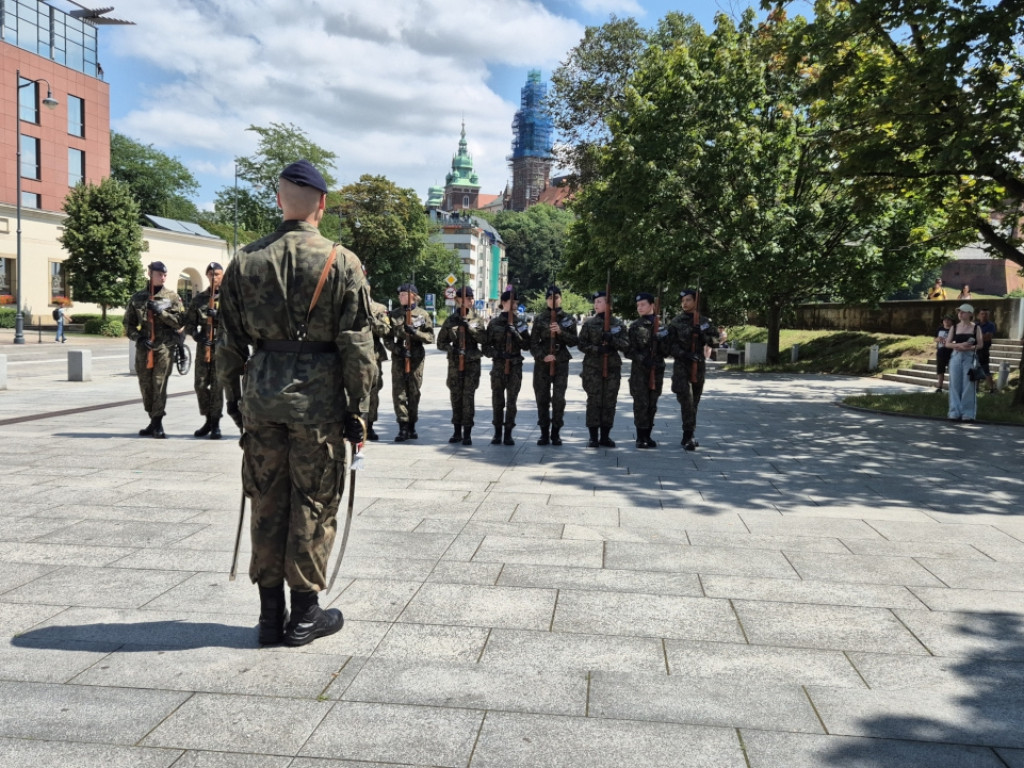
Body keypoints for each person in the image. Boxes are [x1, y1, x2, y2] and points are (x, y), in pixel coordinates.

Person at [217, 160, 374, 647]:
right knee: (313, 500)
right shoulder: (341, 262)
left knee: (267, 499)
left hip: (262, 401)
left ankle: (268, 616)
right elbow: (358, 347)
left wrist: (234, 401)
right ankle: (305, 615)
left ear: (279, 201)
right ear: (321, 205)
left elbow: (227, 344)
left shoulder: (244, 262)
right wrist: (360, 411)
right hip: (318, 404)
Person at [125, 261, 185, 439]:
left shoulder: (172, 297)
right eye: (159, 273)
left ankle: (158, 422)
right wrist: (140, 338)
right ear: (150, 273)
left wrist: (161, 312)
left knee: (159, 384)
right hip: (145, 348)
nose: (163, 276)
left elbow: (180, 322)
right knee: (145, 385)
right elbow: (128, 325)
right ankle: (152, 419)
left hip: (164, 347)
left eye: (164, 274)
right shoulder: (137, 298)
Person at [667, 289, 718, 451]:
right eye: (683, 300)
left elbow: (716, 341)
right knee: (687, 401)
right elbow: (668, 345)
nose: (684, 303)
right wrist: (685, 354)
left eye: (688, 300)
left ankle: (688, 433)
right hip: (682, 366)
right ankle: (688, 434)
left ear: (696, 301)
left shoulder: (704, 321)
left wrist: (703, 335)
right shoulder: (676, 322)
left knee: (694, 401)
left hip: (698, 366)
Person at [577, 290, 629, 448]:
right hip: (593, 368)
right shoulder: (589, 323)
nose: (596, 304)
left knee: (609, 402)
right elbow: (581, 344)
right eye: (595, 302)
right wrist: (597, 349)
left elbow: (626, 345)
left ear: (609, 304)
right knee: (593, 401)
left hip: (612, 368)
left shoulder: (618, 324)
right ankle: (593, 436)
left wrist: (611, 340)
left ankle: (605, 436)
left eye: (600, 301)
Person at [384, 282, 434, 441]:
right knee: (399, 393)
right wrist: (398, 350)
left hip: (416, 357)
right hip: (399, 357)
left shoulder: (422, 315)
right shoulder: (394, 315)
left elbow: (430, 338)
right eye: (400, 295)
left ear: (413, 296)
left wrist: (416, 333)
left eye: (404, 294)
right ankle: (402, 427)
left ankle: (412, 425)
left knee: (414, 392)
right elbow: (387, 338)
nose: (400, 297)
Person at [436, 285, 486, 445]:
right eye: (467, 298)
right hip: (455, 364)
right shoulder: (451, 320)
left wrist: (469, 327)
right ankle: (457, 431)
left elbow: (483, 340)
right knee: (456, 397)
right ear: (458, 300)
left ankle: (467, 433)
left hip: (472, 364)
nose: (470, 301)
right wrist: (453, 349)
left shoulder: (477, 319)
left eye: (471, 298)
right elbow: (440, 342)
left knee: (468, 398)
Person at [530, 284, 578, 445]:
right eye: (550, 298)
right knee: (542, 397)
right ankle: (544, 433)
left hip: (561, 361)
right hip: (543, 362)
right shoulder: (539, 318)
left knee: (558, 398)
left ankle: (556, 432)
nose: (553, 301)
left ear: (561, 298)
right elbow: (533, 343)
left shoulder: (568, 319)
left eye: (556, 297)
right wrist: (542, 357)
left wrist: (560, 332)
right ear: (546, 300)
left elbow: (574, 341)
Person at [182, 262, 225, 439]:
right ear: (207, 276)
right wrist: (196, 335)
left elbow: (239, 322)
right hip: (204, 347)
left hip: (222, 347)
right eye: (211, 275)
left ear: (222, 276)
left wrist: (220, 317)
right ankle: (208, 418)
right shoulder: (199, 299)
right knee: (200, 385)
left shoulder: (230, 298)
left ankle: (215, 424)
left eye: (217, 274)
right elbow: (189, 323)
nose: (214, 278)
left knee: (217, 387)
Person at [483, 288, 530, 445]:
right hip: (498, 367)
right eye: (512, 301)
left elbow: (527, 345)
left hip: (515, 366)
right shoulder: (494, 323)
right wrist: (497, 354)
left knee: (512, 401)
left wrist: (515, 333)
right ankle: (497, 433)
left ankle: (508, 433)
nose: (515, 304)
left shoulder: (521, 323)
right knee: (497, 400)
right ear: (503, 303)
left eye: (517, 302)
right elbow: (485, 347)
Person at [626, 292, 669, 448]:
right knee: (640, 403)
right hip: (639, 371)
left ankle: (648, 435)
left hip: (656, 370)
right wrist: (642, 358)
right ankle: (640, 437)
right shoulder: (635, 326)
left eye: (643, 304)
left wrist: (661, 341)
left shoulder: (662, 327)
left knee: (652, 403)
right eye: (638, 305)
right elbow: (628, 350)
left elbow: (666, 351)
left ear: (653, 305)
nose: (640, 308)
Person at [943, 303, 983, 422]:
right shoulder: (954, 327)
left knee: (968, 385)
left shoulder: (976, 328)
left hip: (969, 356)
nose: (960, 314)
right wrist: (958, 345)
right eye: (959, 311)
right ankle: (954, 411)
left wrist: (968, 347)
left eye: (963, 312)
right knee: (954, 384)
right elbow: (947, 343)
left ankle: (968, 413)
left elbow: (980, 345)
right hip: (956, 356)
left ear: (970, 314)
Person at [365, 279, 391, 441]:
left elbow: (385, 330)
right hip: (351, 356)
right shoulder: (346, 305)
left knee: (373, 392)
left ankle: (370, 425)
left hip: (372, 356)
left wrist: (370, 317)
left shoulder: (379, 309)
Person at [976, 308, 998, 394]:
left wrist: (978, 336)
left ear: (988, 315)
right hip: (975, 349)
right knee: (976, 369)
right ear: (978, 315)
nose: (984, 315)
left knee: (986, 370)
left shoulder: (991, 325)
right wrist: (982, 336)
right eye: (982, 314)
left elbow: (988, 337)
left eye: (986, 314)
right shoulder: (975, 324)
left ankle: (992, 388)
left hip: (984, 350)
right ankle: (976, 388)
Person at [934, 314, 954, 393]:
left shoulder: (954, 330)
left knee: (952, 371)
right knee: (940, 371)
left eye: (948, 320)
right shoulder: (939, 329)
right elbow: (934, 339)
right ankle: (940, 387)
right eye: (945, 320)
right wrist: (937, 339)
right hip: (940, 352)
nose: (946, 321)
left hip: (951, 352)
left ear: (951, 321)